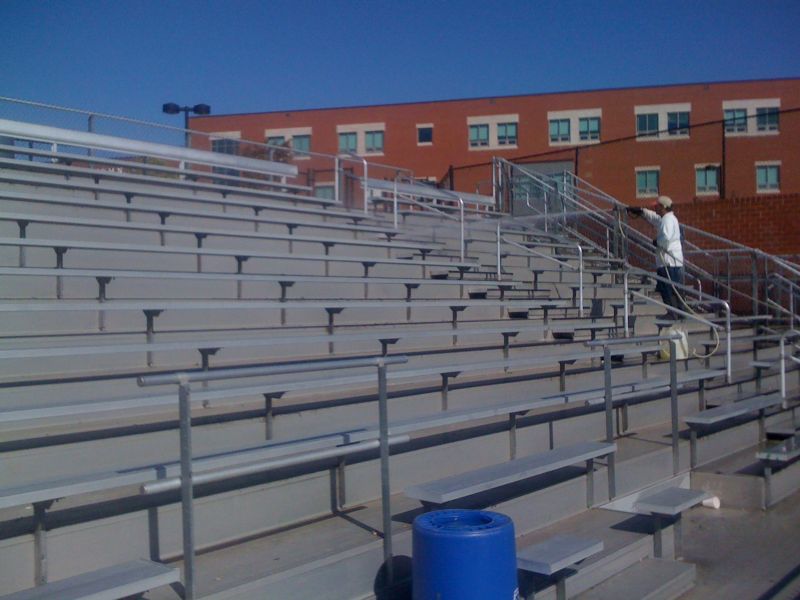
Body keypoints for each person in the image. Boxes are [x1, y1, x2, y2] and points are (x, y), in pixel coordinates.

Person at [626, 196, 684, 319]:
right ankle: (678, 313)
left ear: (663, 207)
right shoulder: (668, 218)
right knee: (671, 289)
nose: (655, 208)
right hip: (671, 261)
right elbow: (654, 218)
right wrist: (642, 211)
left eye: (657, 206)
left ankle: (673, 313)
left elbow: (666, 238)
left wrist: (657, 242)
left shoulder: (667, 220)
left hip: (668, 262)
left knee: (667, 289)